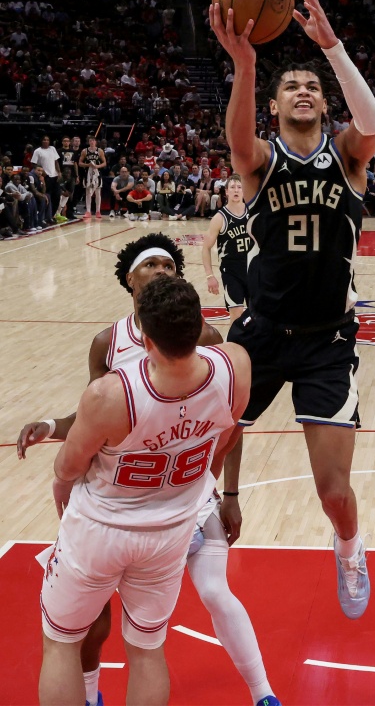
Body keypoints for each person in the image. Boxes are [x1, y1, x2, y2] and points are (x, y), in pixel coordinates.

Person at [18, 233, 278, 706]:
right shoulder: (234, 363)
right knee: (146, 649)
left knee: (61, 642)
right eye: (150, 264)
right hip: (169, 525)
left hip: (110, 520)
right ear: (129, 282)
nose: (161, 270)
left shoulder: (114, 392)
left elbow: (73, 458)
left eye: (167, 264)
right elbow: (231, 424)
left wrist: (223, 492)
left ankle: (263, 690)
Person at [210, 0, 375, 620]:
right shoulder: (258, 161)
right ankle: (202, 527)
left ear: (323, 103)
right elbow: (235, 139)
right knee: (211, 443)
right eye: (293, 86)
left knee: (334, 491)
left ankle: (349, 547)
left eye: (312, 87)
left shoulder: (348, 156)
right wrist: (248, 65)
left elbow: (373, 120)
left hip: (328, 342)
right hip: (261, 330)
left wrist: (332, 50)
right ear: (276, 106)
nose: (304, 91)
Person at [202, 174, 250, 323]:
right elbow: (206, 248)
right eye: (233, 187)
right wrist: (210, 276)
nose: (236, 190)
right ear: (226, 192)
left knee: (258, 315)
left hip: (254, 269)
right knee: (236, 315)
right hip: (231, 272)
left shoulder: (253, 211)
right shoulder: (219, 218)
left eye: (239, 187)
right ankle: (235, 345)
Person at [79, 136, 107, 219]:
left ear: (96, 142)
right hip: (88, 173)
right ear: (88, 142)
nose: (92, 142)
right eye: (90, 141)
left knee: (98, 193)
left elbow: (104, 163)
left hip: (97, 173)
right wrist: (88, 165)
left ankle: (98, 211)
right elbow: (80, 163)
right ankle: (88, 211)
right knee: (88, 192)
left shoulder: (100, 151)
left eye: (93, 141)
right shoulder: (85, 151)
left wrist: (97, 166)